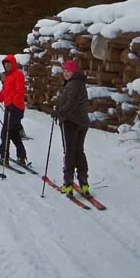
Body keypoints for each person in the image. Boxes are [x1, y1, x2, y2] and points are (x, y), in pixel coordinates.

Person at [52, 59, 90, 197]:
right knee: (79, 151)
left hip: (71, 122)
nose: (65, 73)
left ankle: (68, 184)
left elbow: (72, 101)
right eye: (64, 71)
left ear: (74, 72)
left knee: (69, 152)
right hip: (82, 122)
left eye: (68, 71)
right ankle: (84, 183)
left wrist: (61, 112)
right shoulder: (80, 83)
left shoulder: (73, 84)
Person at [0, 55, 27, 166]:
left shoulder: (18, 74)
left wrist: (13, 104)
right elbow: (3, 94)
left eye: (9, 63)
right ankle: (21, 157)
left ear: (13, 64)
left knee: (6, 133)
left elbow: (20, 91)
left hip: (15, 109)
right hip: (10, 108)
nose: (7, 65)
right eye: (5, 64)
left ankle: (4, 158)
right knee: (13, 133)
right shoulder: (8, 77)